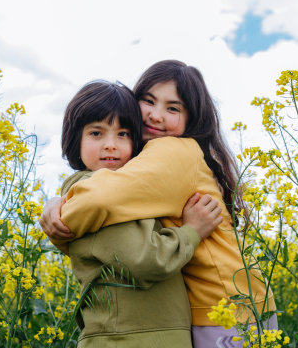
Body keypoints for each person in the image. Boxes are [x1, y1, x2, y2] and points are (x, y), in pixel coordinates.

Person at [42, 60, 277, 347]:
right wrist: (56, 200)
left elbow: (101, 197)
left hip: (224, 308)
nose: (155, 115)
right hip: (222, 306)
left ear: (192, 118)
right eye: (148, 101)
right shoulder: (148, 158)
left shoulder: (171, 151)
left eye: (173, 108)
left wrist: (59, 214)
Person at [56, 80, 222, 347]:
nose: (110, 145)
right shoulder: (94, 195)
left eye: (123, 134)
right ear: (75, 139)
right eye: (96, 133)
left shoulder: (124, 189)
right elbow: (145, 262)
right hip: (125, 340)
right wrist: (192, 232)